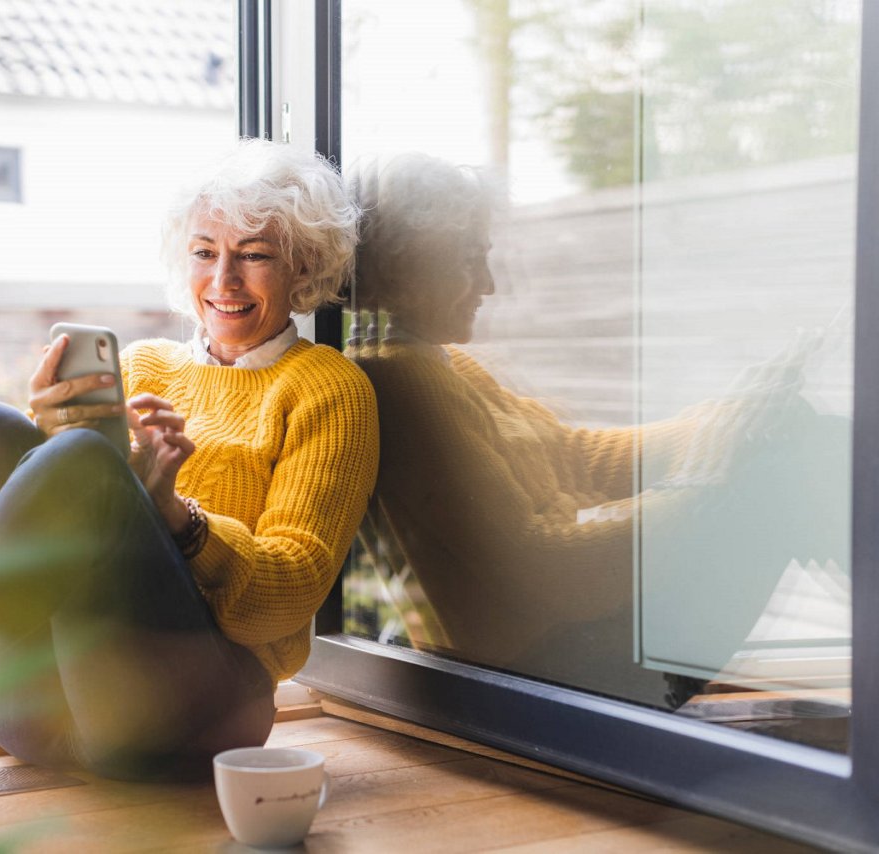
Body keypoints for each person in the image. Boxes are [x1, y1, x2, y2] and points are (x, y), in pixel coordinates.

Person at [0, 139, 379, 783]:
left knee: (87, 463)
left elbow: (287, 598)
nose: (223, 280)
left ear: (304, 267)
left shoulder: (328, 388)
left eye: (254, 256)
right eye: (205, 252)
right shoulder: (146, 365)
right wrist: (47, 440)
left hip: (194, 714)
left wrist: (177, 517)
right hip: (46, 709)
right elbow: (57, 541)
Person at [347, 152, 847, 706]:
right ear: (410, 266)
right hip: (548, 664)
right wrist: (698, 480)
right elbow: (555, 570)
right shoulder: (401, 379)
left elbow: (576, 456)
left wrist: (727, 416)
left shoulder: (440, 363)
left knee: (784, 433)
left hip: (572, 639)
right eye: (469, 260)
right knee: (793, 464)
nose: (488, 284)